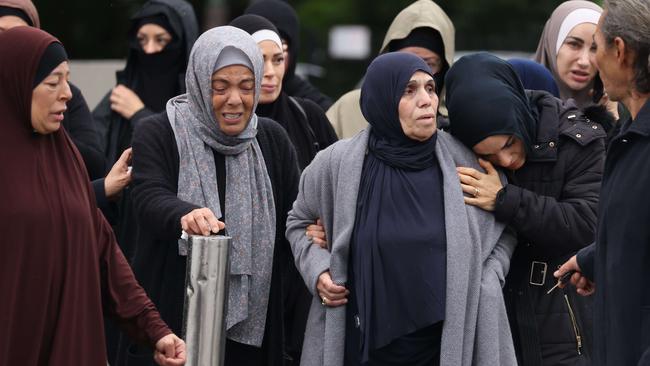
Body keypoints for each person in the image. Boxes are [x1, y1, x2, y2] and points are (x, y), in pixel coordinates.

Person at [286, 52, 517, 366]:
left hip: (441, 348)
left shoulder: (463, 161)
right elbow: (298, 222)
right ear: (382, 99)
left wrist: (489, 276)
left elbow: (504, 228)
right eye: (409, 91)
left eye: (431, 89)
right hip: (361, 345)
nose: (426, 100)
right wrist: (318, 270)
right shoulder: (335, 164)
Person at [116, 26, 301, 366]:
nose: (235, 99)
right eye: (220, 87)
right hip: (173, 327)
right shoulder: (159, 132)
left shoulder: (272, 140)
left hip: (255, 333)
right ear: (200, 83)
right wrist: (184, 214)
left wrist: (312, 228)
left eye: (247, 87)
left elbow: (295, 214)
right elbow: (148, 197)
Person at [0, 26, 185, 366]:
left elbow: (105, 256)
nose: (67, 94)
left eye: (67, 80)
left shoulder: (64, 156)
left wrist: (155, 329)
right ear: (15, 84)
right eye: (53, 82)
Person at [445, 52, 606, 365]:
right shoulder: (451, 147)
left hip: (563, 317)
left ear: (519, 114)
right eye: (489, 156)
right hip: (491, 321)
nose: (506, 161)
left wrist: (505, 199)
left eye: (509, 144)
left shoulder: (576, 140)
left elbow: (589, 224)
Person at [554, 1, 650, 364]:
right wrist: (595, 259)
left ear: (620, 51)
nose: (589, 61)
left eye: (596, 46)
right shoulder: (628, 134)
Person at [0, 0, 106, 180]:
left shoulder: (64, 95)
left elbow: (95, 166)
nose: (9, 42)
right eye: (1, 34)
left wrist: (46, 120)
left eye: (20, 34)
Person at [326, 0, 455, 138]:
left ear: (444, 68)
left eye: (428, 64)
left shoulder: (460, 119)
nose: (415, 73)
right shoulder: (347, 111)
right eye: (403, 61)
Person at [92, 0, 198, 167]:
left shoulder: (199, 102)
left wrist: (140, 115)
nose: (149, 50)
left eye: (161, 40)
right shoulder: (122, 95)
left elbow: (193, 154)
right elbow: (88, 147)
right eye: (142, 40)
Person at [230, 14, 337, 170]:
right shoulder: (221, 123)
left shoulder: (309, 116)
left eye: (278, 59)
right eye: (259, 59)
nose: (270, 72)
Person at [534, 0, 619, 119]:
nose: (584, 62)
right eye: (574, 44)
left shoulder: (621, 108)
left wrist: (611, 118)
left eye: (595, 48)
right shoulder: (520, 106)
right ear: (552, 45)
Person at [244, 0, 334, 111]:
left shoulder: (314, 111)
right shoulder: (224, 103)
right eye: (261, 56)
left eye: (278, 57)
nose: (270, 71)